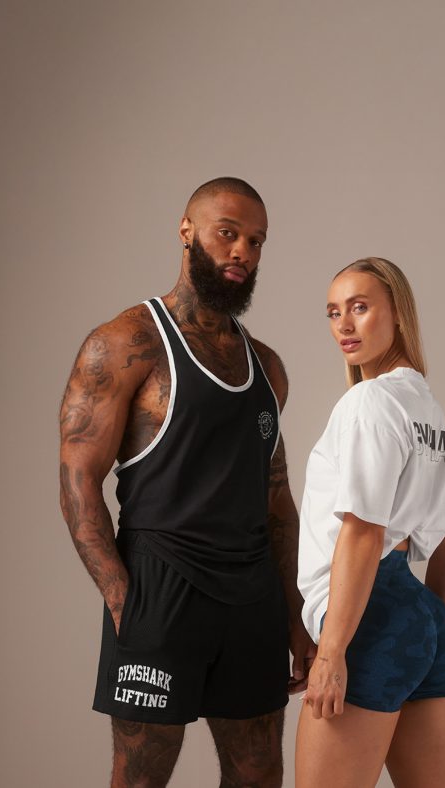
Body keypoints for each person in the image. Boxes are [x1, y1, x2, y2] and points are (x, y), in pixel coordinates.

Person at [58, 177, 313, 787]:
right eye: (228, 233)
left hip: (251, 592)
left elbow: (276, 498)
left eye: (256, 241)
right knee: (142, 777)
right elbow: (78, 481)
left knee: (258, 776)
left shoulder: (266, 367)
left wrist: (295, 614)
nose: (242, 251)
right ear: (187, 231)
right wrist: (123, 597)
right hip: (161, 582)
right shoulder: (125, 344)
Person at [294, 258, 445, 788]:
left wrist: (332, 650)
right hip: (422, 617)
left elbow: (363, 531)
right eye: (334, 312)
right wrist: (423, 637)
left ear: (398, 313)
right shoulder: (432, 414)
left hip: (367, 617)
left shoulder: (369, 401)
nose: (344, 325)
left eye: (360, 307)